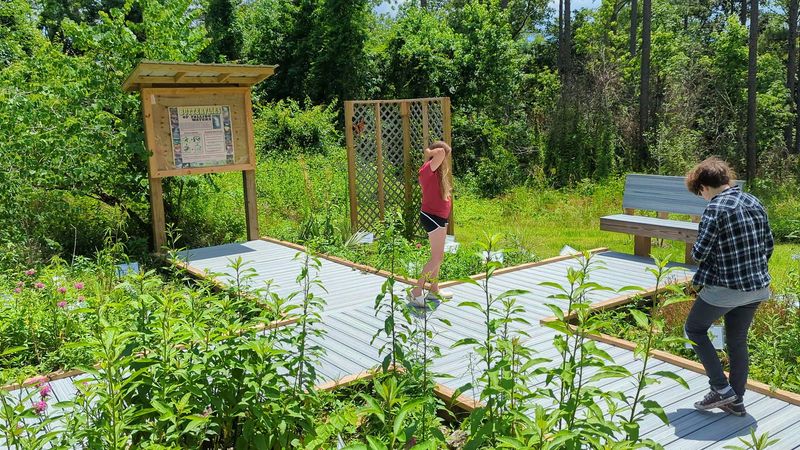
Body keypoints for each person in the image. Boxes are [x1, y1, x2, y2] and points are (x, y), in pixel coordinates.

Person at [684, 157, 773, 417]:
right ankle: (736, 400)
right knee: (737, 341)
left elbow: (699, 253)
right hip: (757, 286)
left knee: (694, 329)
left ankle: (721, 389)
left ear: (703, 186)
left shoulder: (715, 208)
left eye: (699, 192)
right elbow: (768, 245)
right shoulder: (754, 200)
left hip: (727, 288)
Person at [408, 141, 454, 307]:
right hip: (432, 216)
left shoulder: (436, 172)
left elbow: (442, 154)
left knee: (438, 256)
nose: (444, 160)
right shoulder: (427, 169)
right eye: (442, 157)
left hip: (440, 217)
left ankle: (433, 289)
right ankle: (416, 290)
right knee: (436, 257)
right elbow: (441, 152)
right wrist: (429, 151)